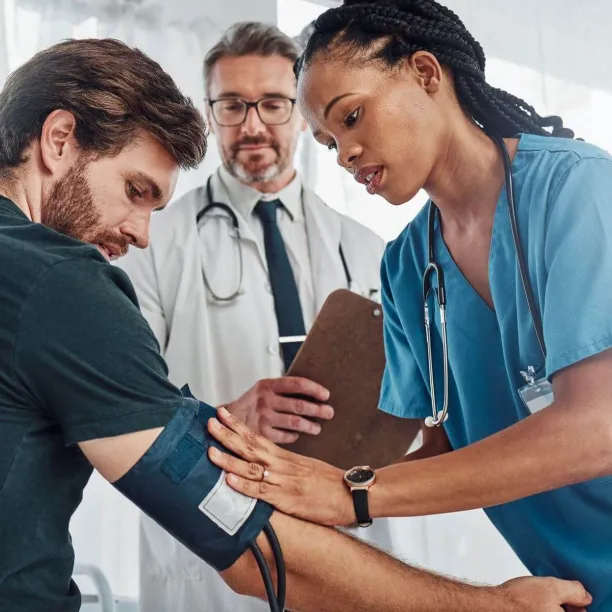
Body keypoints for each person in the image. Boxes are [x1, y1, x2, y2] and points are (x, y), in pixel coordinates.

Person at [0, 35, 589, 612]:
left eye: (347, 119)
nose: (141, 234)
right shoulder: (67, 281)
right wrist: (487, 605)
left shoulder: (396, 243)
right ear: (58, 140)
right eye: (135, 190)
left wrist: (351, 490)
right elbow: (245, 542)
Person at [205, 1, 612, 611]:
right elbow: (442, 448)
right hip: (571, 591)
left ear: (425, 72)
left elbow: (596, 430)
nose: (344, 154)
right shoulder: (405, 267)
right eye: (329, 139)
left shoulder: (578, 190)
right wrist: (285, 488)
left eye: (353, 115)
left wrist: (352, 493)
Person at [117, 21, 396, 612]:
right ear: (210, 112)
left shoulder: (367, 247)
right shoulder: (151, 241)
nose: (252, 125)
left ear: (301, 112)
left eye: (272, 103)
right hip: (208, 536)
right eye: (231, 105)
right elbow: (123, 397)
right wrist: (225, 417)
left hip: (343, 530)